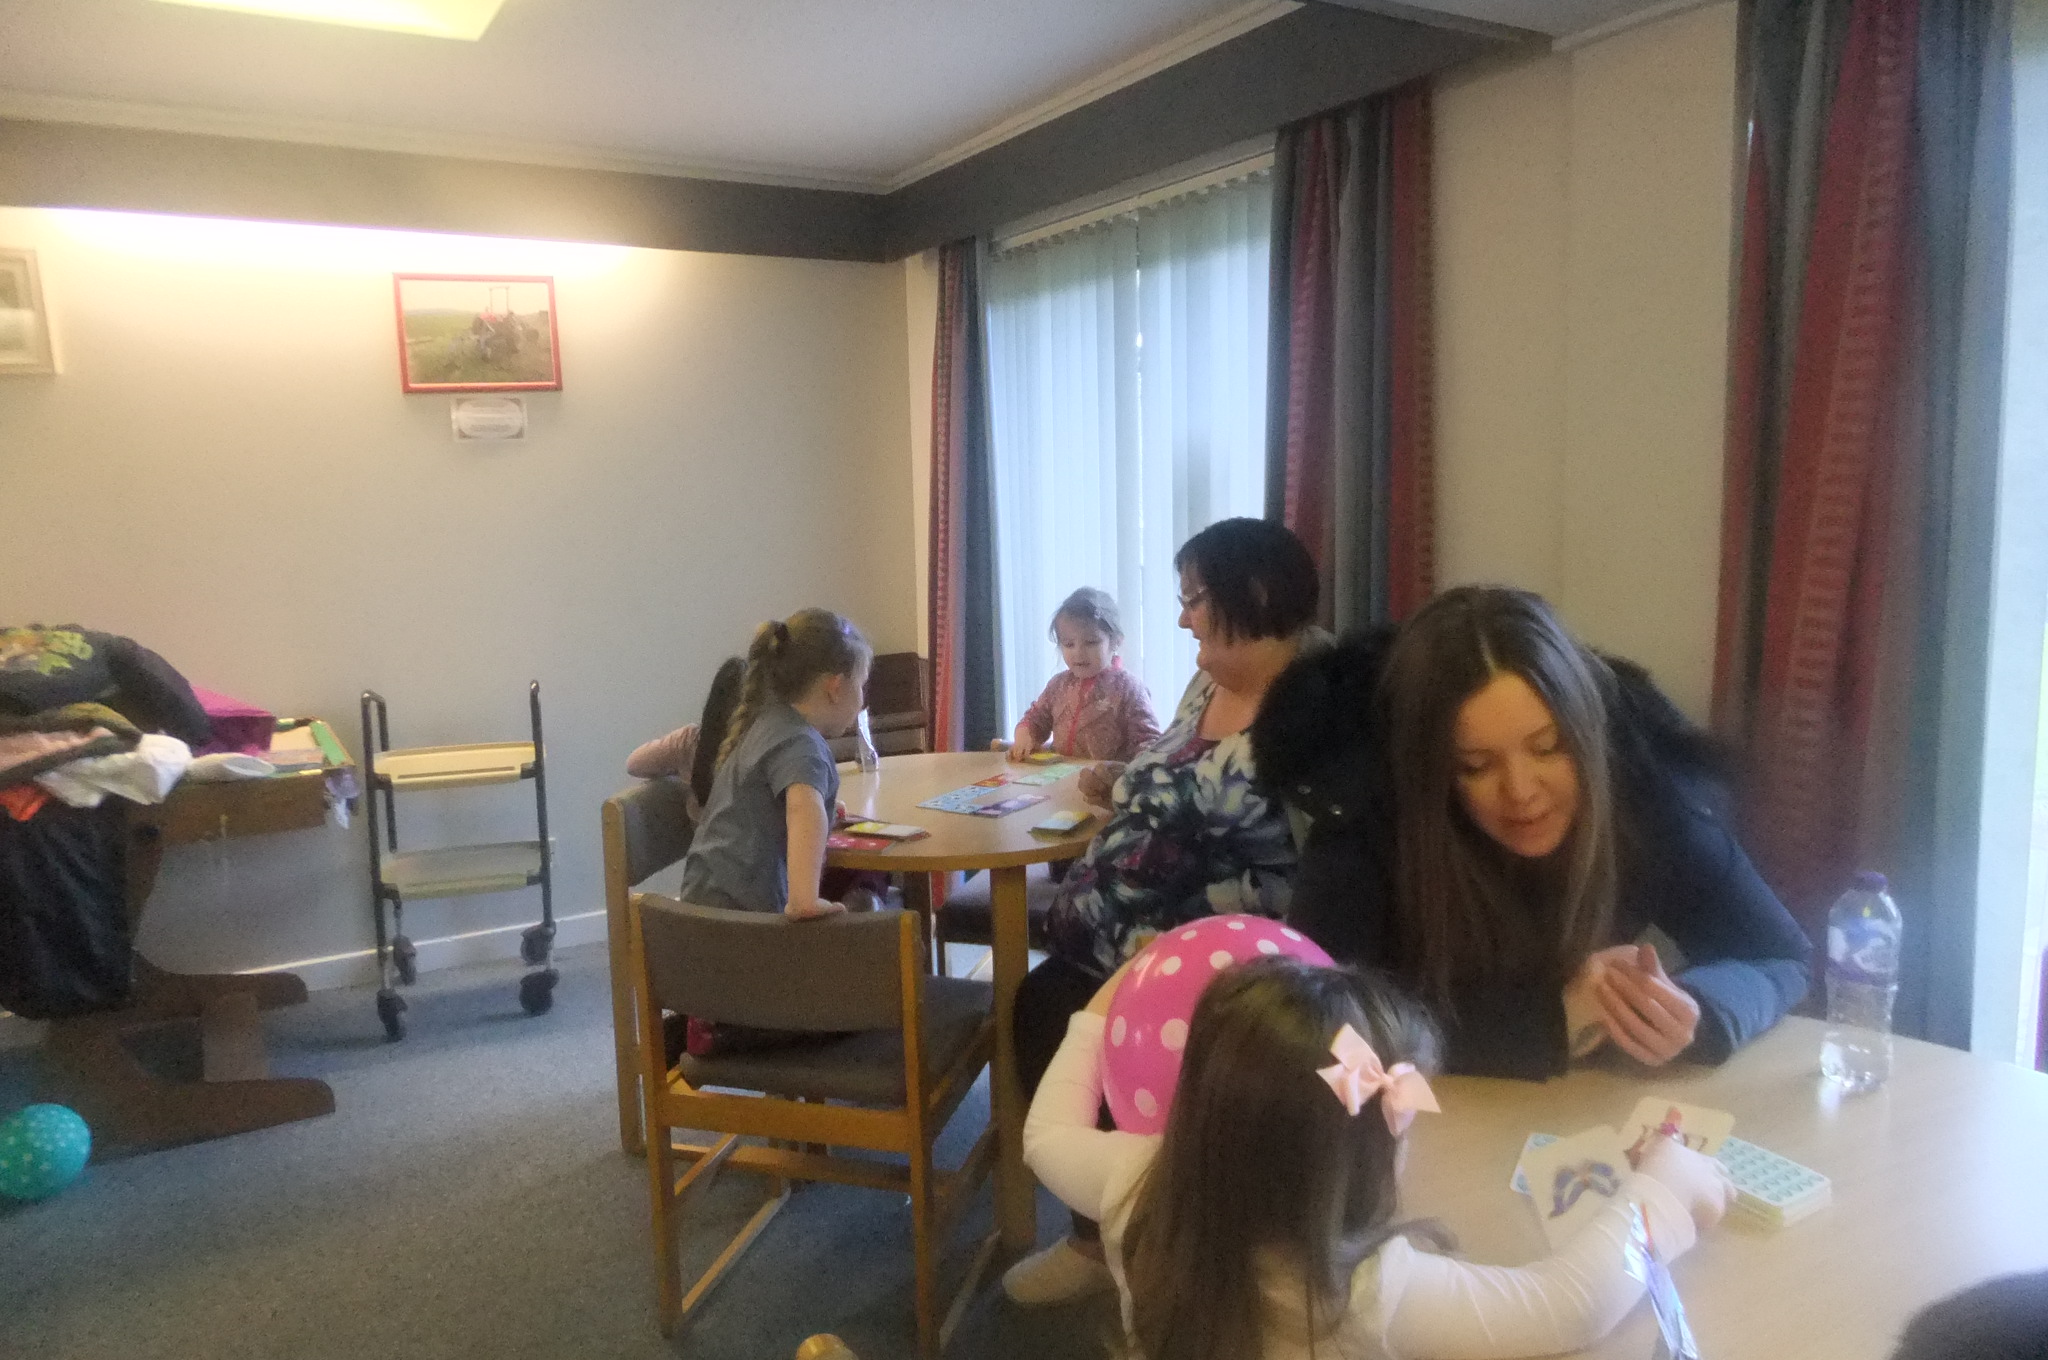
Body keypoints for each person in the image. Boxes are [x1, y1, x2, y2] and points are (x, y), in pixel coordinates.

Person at [1025, 956, 1734, 1360]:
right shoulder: (1362, 1288)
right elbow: (1568, 1307)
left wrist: (1096, 1015)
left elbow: (1046, 1137)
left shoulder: (1138, 1183)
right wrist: (1663, 1189)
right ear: (1353, 1158)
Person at [1250, 585, 1812, 1081]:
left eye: (1548, 748)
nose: (1520, 791)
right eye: (1475, 765)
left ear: (1588, 735)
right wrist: (1551, 1019)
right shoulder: (1365, 823)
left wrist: (1693, 1009)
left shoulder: (1639, 794)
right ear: (1430, 771)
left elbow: (1780, 954)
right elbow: (1312, 1024)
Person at [1004, 517, 1318, 1304]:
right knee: (1042, 1007)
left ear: (1256, 595)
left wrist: (1172, 933)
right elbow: (1173, 769)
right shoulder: (1209, 682)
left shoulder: (1316, 704)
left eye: (1194, 599)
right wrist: (1117, 781)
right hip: (1117, 940)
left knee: (1077, 1024)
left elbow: (1306, 875)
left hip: (1211, 957)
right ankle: (1098, 1237)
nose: (1182, 619)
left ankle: (1166, 1255)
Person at [677, 609, 871, 922]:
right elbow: (802, 808)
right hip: (743, 923)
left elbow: (767, 804)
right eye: (861, 684)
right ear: (835, 687)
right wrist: (805, 901)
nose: (862, 699)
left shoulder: (765, 723)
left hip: (700, 906)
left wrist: (820, 806)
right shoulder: (804, 744)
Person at [1007, 587, 1160, 764]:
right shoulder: (1058, 685)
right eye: (1069, 644)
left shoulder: (1129, 688)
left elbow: (1149, 743)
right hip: (1058, 775)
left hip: (1106, 779)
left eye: (1091, 643)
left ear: (1115, 642)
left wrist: (1134, 771)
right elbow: (1035, 719)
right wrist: (1025, 735)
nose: (1078, 652)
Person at [624, 655, 749, 820]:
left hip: (702, 834)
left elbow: (635, 764)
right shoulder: (759, 745)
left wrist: (682, 770)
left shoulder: (689, 741)